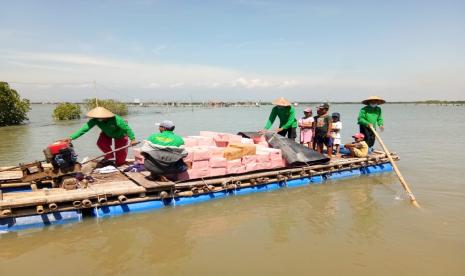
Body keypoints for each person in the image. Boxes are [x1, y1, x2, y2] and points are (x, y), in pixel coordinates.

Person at [68, 106, 136, 166]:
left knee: (120, 162)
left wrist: (132, 139)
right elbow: (84, 128)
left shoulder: (117, 119)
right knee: (101, 143)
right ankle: (109, 155)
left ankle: (119, 161)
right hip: (107, 133)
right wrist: (71, 137)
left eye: (100, 117)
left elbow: (127, 129)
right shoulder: (95, 120)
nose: (98, 119)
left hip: (120, 135)